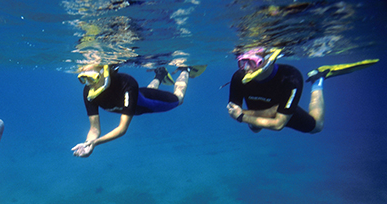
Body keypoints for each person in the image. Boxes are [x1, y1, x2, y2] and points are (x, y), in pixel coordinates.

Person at [226, 47, 378, 134]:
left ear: (269, 60)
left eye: (252, 63)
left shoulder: (290, 77)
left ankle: (318, 79)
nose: (247, 70)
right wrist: (268, 112)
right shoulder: (238, 77)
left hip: (282, 107)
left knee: (317, 127)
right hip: (267, 107)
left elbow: (278, 124)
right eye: (242, 63)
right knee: (255, 128)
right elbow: (233, 110)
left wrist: (242, 116)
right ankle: (266, 114)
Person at [72, 63, 205, 157]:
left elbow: (122, 129)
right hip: (136, 98)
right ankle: (160, 74)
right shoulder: (89, 92)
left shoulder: (126, 83)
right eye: (83, 78)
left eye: (91, 77)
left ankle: (185, 69)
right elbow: (94, 129)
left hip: (148, 103)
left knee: (179, 99)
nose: (88, 83)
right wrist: (87, 143)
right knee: (147, 91)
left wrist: (95, 143)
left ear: (103, 72)